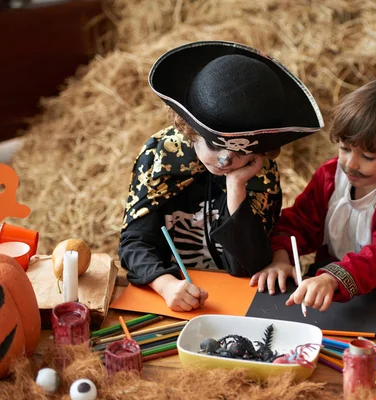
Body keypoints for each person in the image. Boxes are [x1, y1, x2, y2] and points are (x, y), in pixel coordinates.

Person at [119, 41, 323, 312]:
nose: (226, 161)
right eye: (215, 145)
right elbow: (134, 242)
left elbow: (249, 266)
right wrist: (165, 284)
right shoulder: (160, 155)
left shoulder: (261, 174)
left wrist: (236, 187)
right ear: (190, 129)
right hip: (168, 295)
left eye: (241, 154)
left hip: (237, 303)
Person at [249, 79, 376, 312]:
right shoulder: (329, 176)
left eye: (368, 157)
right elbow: (300, 222)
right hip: (332, 278)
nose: (350, 164)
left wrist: (332, 279)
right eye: (345, 149)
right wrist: (280, 259)